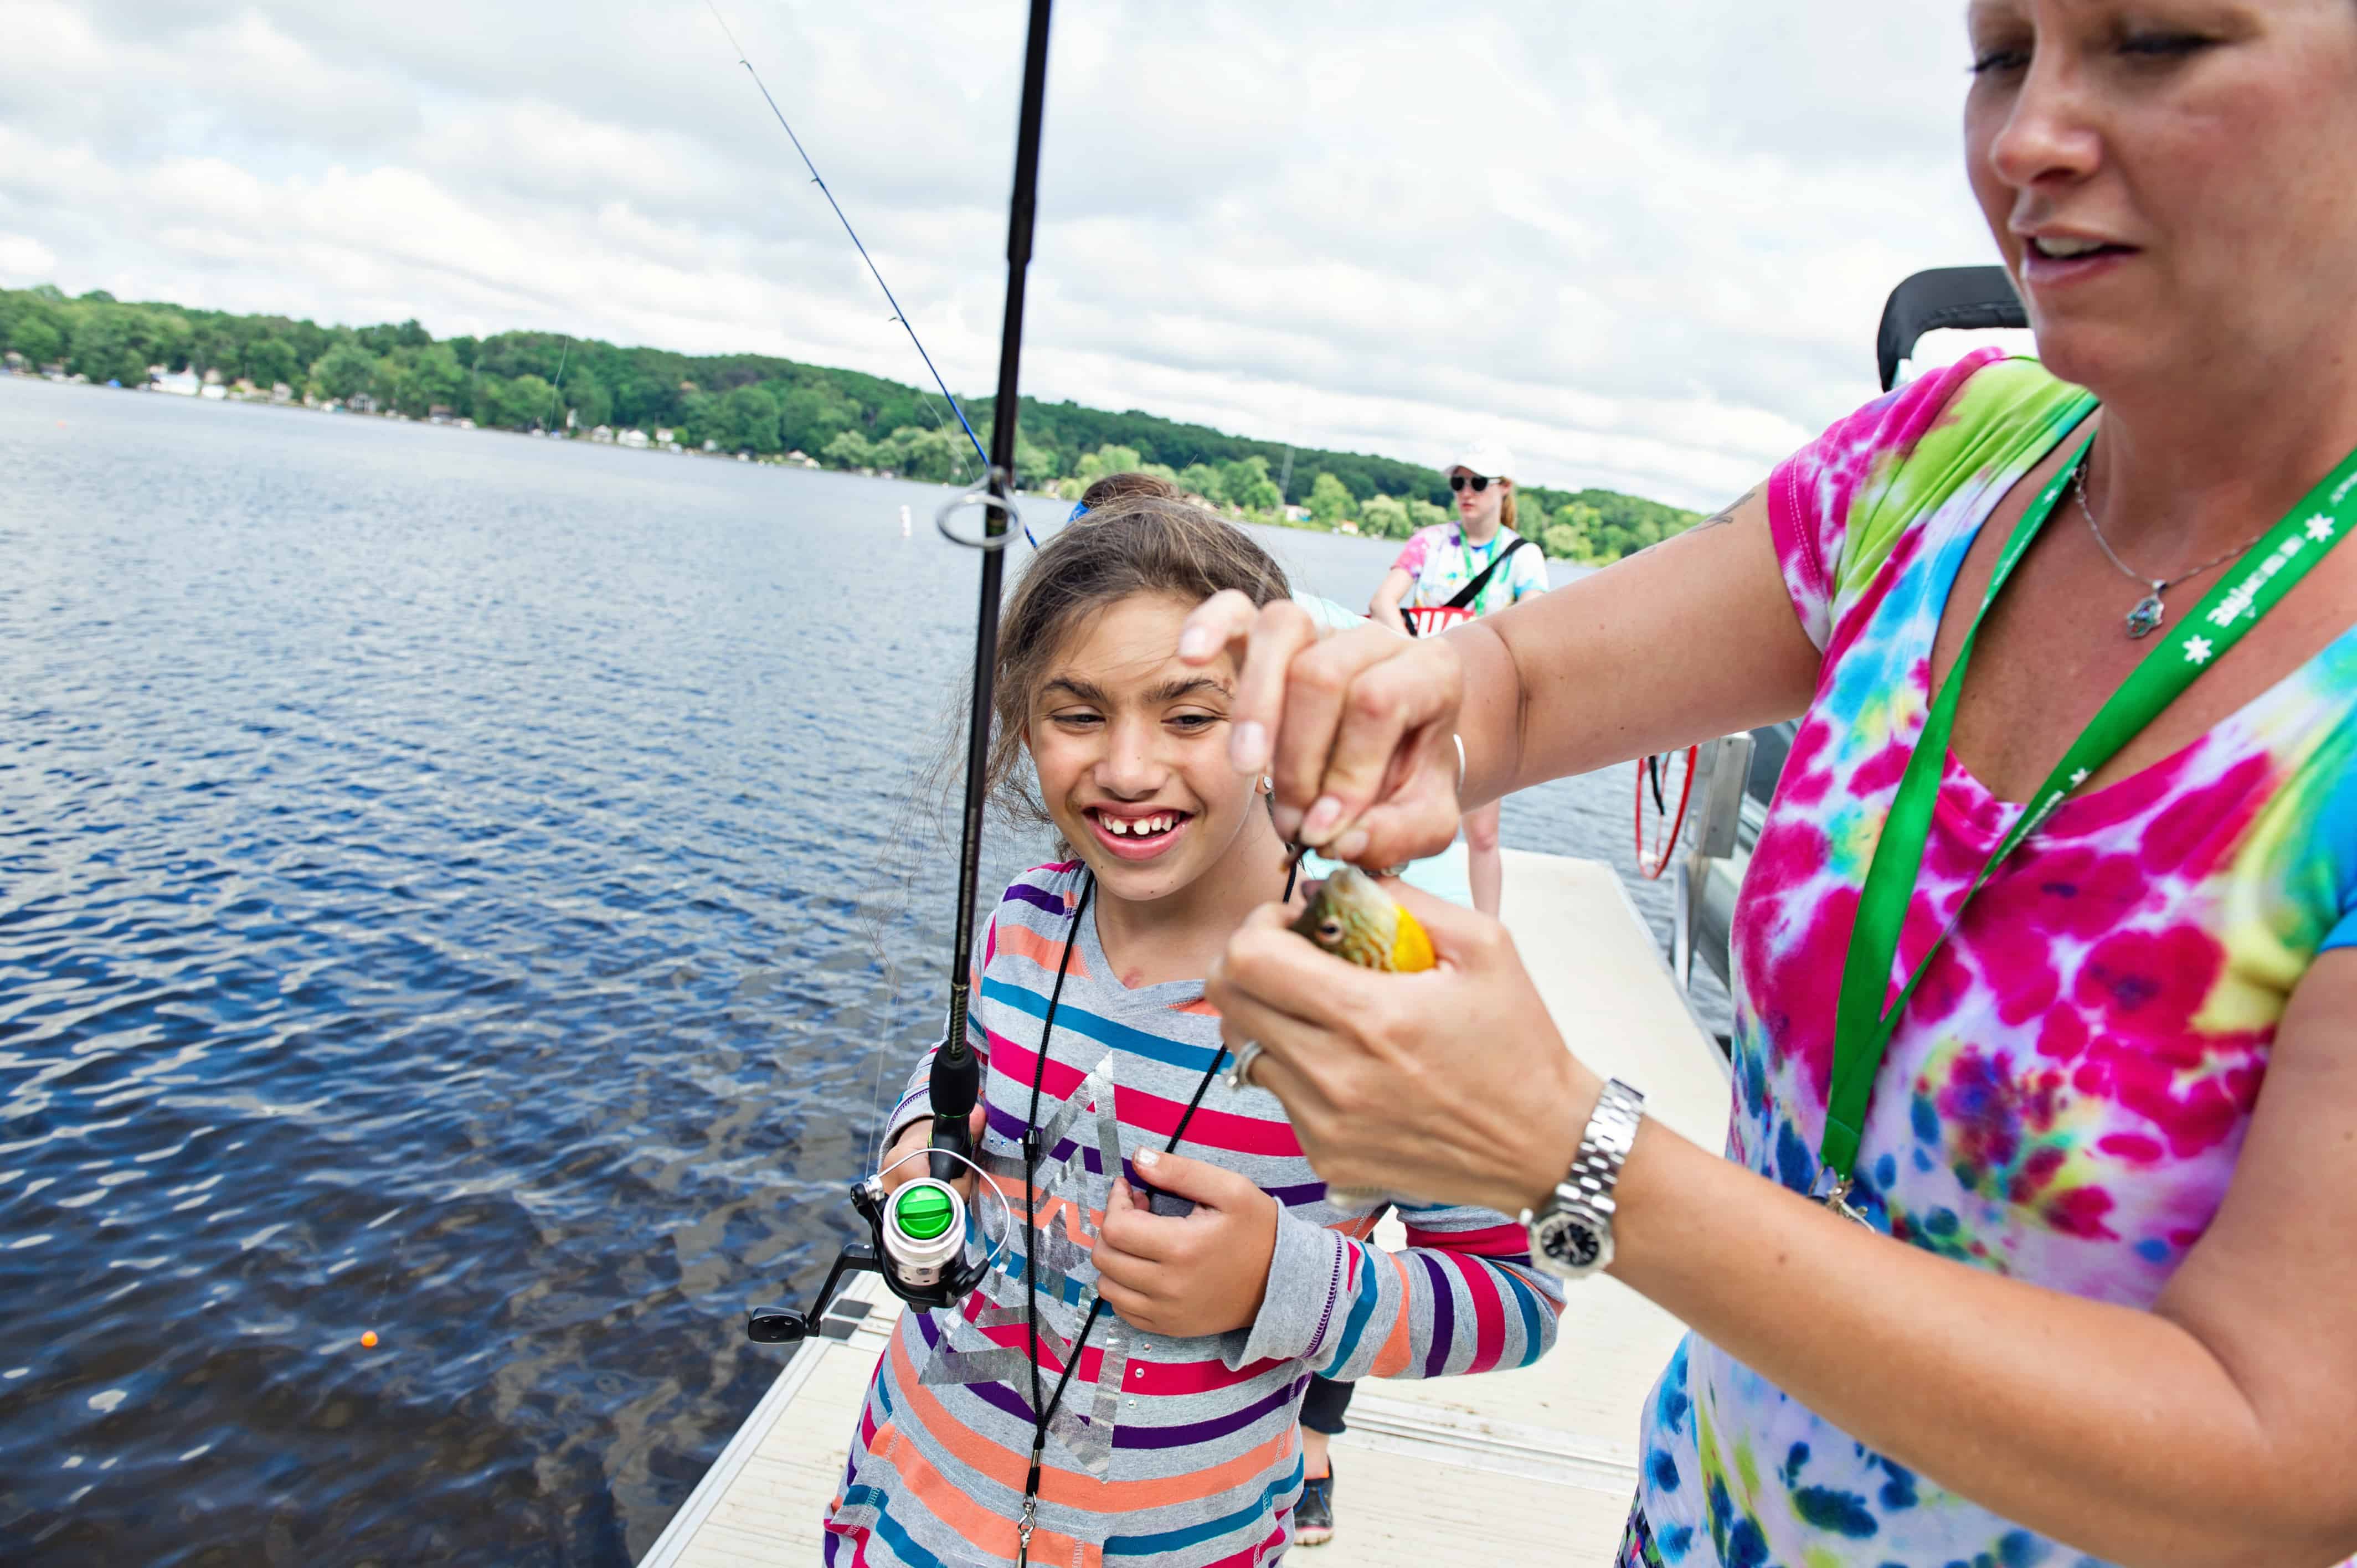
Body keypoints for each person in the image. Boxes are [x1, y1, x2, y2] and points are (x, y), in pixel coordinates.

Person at [1180, 6, 2357, 1566]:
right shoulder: (1942, 457)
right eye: (2000, 54)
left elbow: (2280, 1459)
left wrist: (1565, 1149)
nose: (2027, 141)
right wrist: (1391, 699)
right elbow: (1516, 683)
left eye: (2154, 40)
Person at [825, 494, 1562, 1567]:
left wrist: (1277, 1283)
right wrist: (913, 1144)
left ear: (1274, 721)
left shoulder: (1376, 970)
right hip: (908, 1514)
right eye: (1075, 715)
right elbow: (957, 1076)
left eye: (1189, 715)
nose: (1127, 770)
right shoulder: (1031, 912)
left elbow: (1517, 1292)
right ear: (1020, 722)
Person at [1367, 437, 1548, 917]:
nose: (1466, 491)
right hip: (1422, 691)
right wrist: (1414, 651)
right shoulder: (1429, 541)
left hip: (1481, 703)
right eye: (1458, 482)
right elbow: (1384, 601)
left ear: (1504, 489)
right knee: (1395, 817)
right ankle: (1379, 927)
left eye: (1477, 482)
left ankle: (1489, 934)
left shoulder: (1523, 556)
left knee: (1483, 833)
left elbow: (1532, 624)